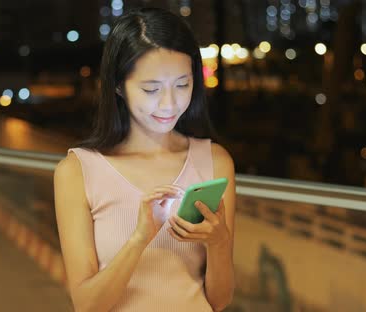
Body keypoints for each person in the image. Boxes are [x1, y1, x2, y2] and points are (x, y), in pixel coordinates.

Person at [54, 7, 236, 311]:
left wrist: (219, 243)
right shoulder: (77, 172)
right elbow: (87, 305)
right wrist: (140, 238)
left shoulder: (215, 162)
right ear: (117, 86)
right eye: (151, 89)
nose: (169, 103)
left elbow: (219, 301)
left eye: (182, 84)